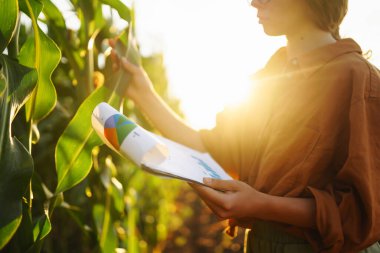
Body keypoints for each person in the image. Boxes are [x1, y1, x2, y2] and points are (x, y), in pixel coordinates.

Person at [110, 0, 380, 252]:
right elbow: (212, 148)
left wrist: (261, 204)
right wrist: (143, 92)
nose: (254, 2)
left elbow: (360, 214)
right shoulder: (269, 77)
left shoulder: (358, 80)